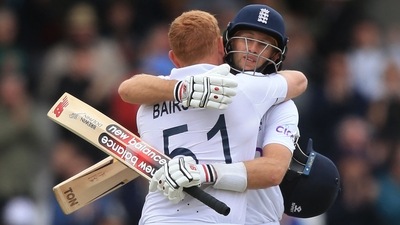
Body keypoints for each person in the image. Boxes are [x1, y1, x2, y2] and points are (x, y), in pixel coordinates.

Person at [118, 9, 307, 224]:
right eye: (246, 39)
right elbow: (128, 88)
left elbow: (273, 170)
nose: (252, 50)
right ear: (224, 43)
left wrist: (203, 172)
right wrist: (183, 89)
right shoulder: (236, 89)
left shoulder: (279, 102)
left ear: (276, 55)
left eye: (264, 44)